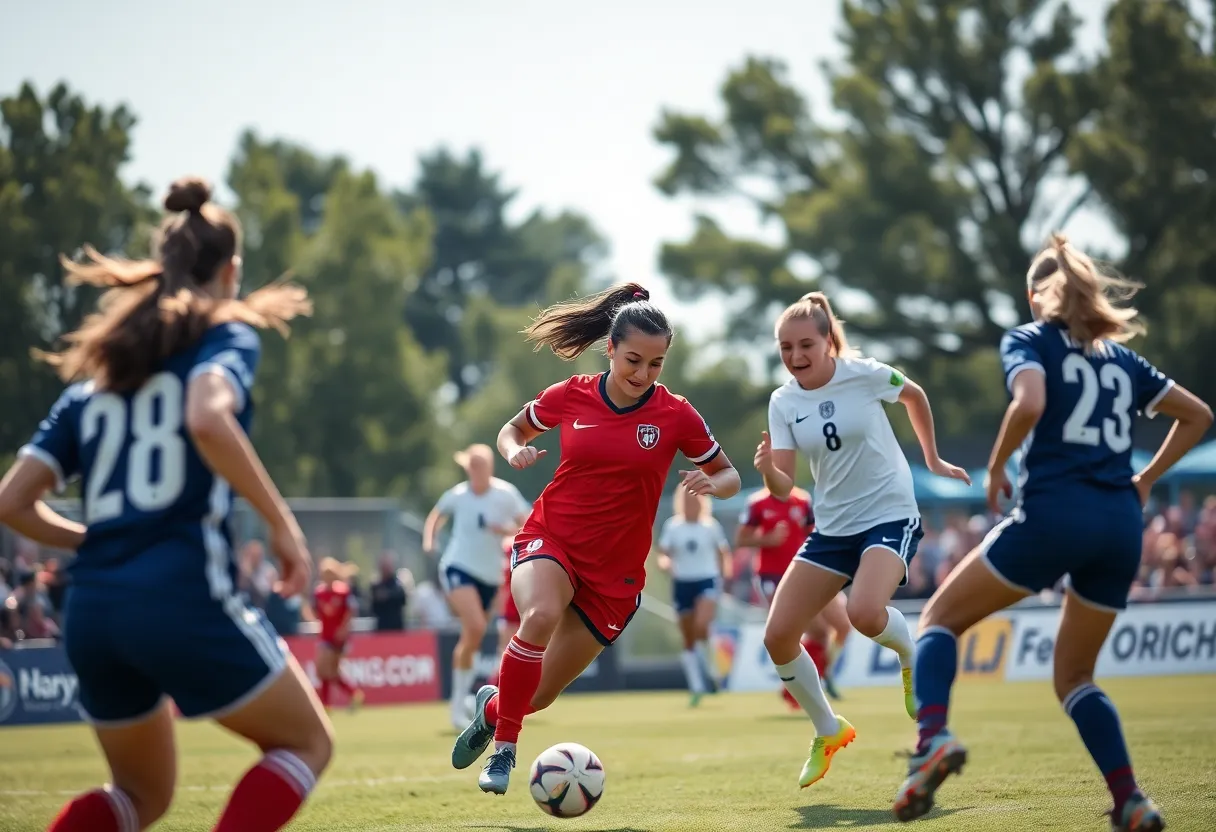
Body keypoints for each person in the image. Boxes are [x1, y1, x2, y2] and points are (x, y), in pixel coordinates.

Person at [0, 176, 331, 832]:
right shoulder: (224, 337)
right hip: (180, 596)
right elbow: (208, 417)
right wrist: (281, 525)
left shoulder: (100, 382)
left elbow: (12, 502)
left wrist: (92, 542)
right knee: (305, 744)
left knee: (139, 796)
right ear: (230, 271)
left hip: (92, 612)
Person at [893, 235, 1212, 830]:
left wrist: (996, 465)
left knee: (937, 620)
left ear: (1033, 295)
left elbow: (1031, 400)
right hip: (1120, 526)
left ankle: (931, 739)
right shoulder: (1120, 358)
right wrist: (1145, 478)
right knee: (1074, 677)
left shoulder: (1029, 338)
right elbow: (1198, 416)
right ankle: (1130, 800)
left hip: (1055, 516)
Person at [449, 282, 741, 795]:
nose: (643, 374)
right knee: (538, 616)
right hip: (551, 539)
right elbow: (512, 430)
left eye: (656, 364)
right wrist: (514, 450)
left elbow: (729, 475)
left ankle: (494, 710)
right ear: (609, 348)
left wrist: (711, 482)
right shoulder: (572, 394)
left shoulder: (676, 415)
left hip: (615, 577)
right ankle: (505, 753)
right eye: (633, 359)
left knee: (535, 697)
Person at [757, 291, 969, 790]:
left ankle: (909, 654)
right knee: (777, 636)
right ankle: (828, 730)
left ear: (829, 342)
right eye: (785, 348)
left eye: (805, 344)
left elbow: (914, 394)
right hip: (831, 528)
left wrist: (933, 459)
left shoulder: (865, 373)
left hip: (889, 513)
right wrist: (769, 471)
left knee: (865, 614)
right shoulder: (782, 401)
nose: (795, 356)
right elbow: (784, 485)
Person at [423, 444, 531, 729]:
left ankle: (462, 700)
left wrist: (504, 530)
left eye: (482, 465)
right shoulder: (458, 495)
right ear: (468, 468)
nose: (478, 471)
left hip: (490, 576)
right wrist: (430, 541)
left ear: (490, 467)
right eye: (473, 466)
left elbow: (529, 523)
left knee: (472, 639)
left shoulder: (505, 494)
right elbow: (436, 515)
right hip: (458, 567)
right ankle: (458, 709)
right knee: (475, 627)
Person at [737, 487, 849, 703]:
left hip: (808, 571)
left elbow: (814, 535)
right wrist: (768, 539)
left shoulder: (803, 500)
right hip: (774, 577)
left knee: (842, 625)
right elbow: (741, 539)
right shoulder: (757, 503)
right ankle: (798, 688)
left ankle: (822, 672)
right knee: (814, 631)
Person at [657, 486, 731, 705]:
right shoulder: (673, 526)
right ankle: (697, 686)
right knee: (689, 638)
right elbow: (664, 553)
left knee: (701, 625)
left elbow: (722, 554)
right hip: (682, 583)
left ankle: (713, 671)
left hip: (706, 580)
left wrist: (725, 580)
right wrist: (666, 564)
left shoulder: (710, 526)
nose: (693, 505)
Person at [311, 558, 364, 711]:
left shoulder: (343, 592)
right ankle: (352, 693)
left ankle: (326, 703)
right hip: (325, 635)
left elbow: (351, 610)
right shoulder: (319, 593)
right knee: (328, 671)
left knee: (325, 669)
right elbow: (315, 611)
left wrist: (343, 629)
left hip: (338, 637)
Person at [369, 551, 408, 632]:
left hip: (396, 628)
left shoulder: (398, 584)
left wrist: (387, 595)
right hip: (382, 628)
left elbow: (402, 599)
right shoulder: (376, 586)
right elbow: (373, 606)